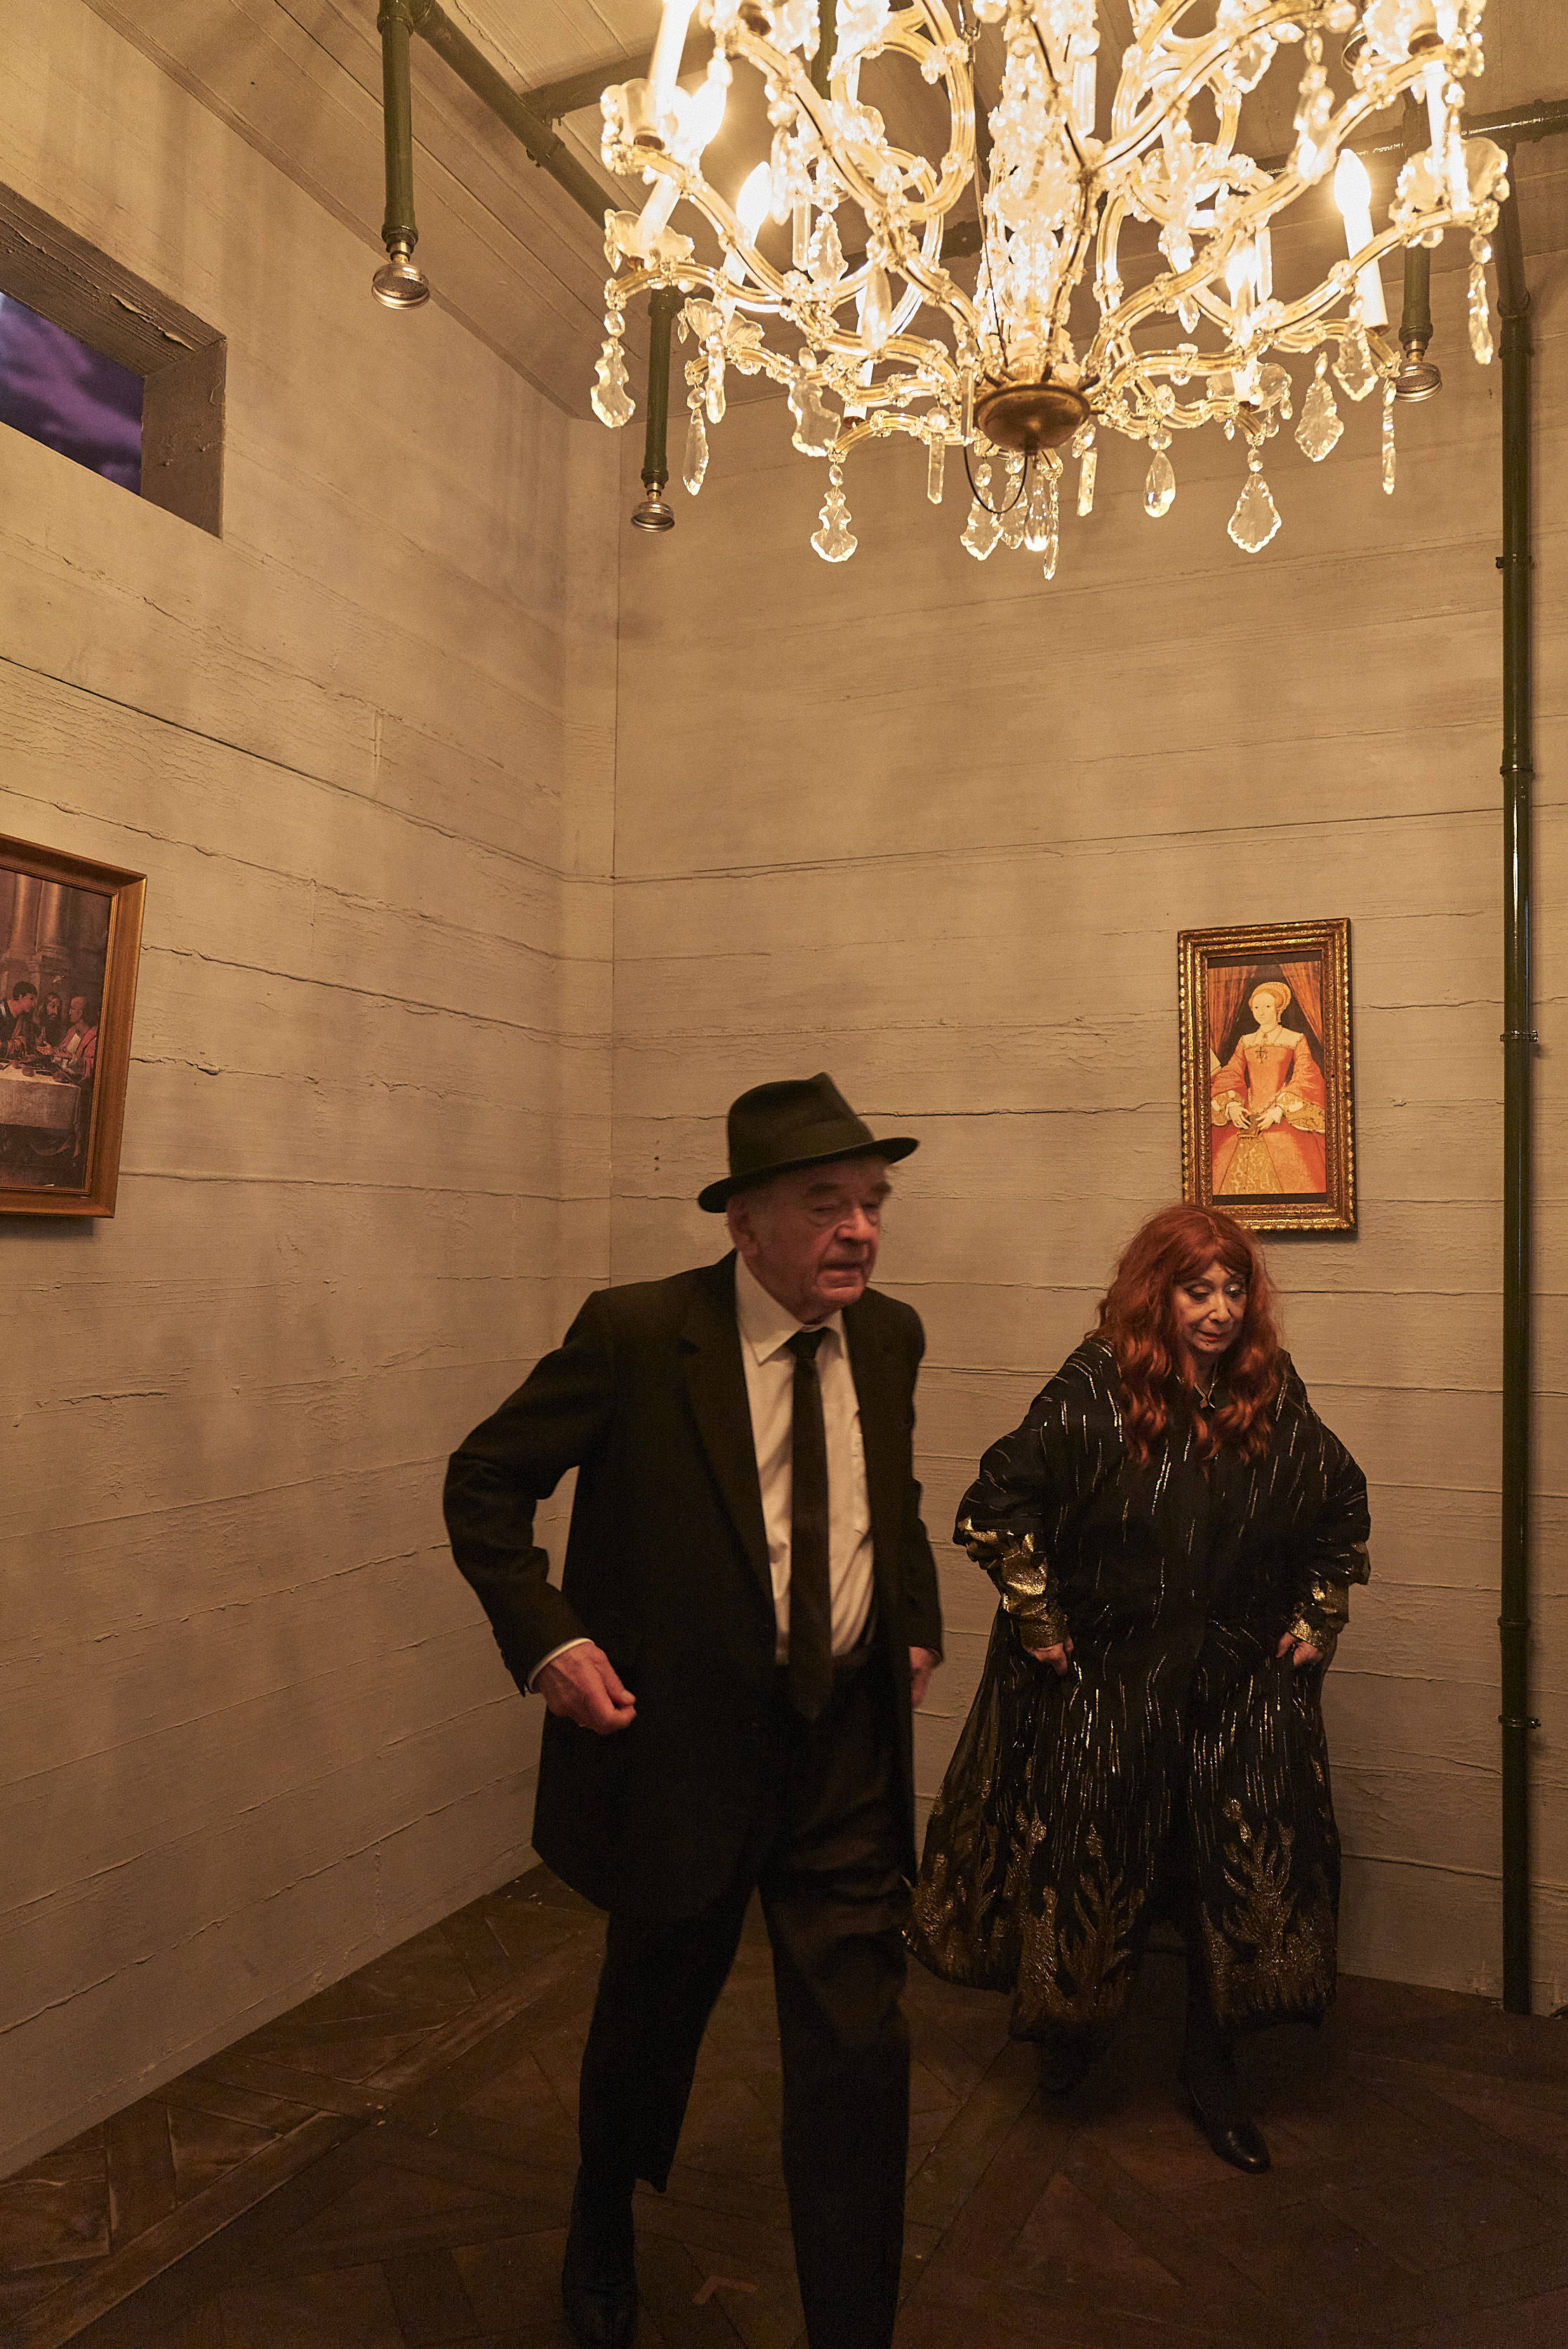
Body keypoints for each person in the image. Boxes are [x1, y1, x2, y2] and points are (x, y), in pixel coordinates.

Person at [444, 1073, 943, 2349]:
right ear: (744, 1222)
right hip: (681, 1756)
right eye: (824, 1202)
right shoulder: (635, 1333)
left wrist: (913, 1613)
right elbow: (485, 1479)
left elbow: (888, 1492)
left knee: (858, 2049)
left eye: (871, 1200)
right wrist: (548, 1637)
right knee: (649, 2017)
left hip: (842, 1753)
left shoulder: (887, 1336)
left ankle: (851, 2322)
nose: (859, 1229)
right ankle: (601, 2208)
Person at [908, 1204, 1369, 2176]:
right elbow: (997, 1502)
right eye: (1197, 1289)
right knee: (1091, 1861)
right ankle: (1072, 2031)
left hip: (1233, 1689)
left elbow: (1336, 1503)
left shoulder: (1267, 1387)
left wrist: (1316, 1613)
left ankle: (1212, 2066)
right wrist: (1038, 1618)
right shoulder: (1095, 1383)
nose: (1218, 1309)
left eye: (1233, 1289)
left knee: (1216, 1878)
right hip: (1112, 1684)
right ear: (1155, 1291)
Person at [1211, 979, 1327, 1195]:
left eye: (1267, 1006)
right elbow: (1232, 1072)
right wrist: (1232, 1106)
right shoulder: (1246, 1041)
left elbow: (1306, 1074)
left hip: (1281, 1112)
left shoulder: (1295, 1039)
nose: (1261, 1012)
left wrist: (1279, 1110)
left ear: (1278, 1008)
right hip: (1247, 1112)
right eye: (1256, 1007)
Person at [1, 980, 39, 1063]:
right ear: (20, 996)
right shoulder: (1, 1010)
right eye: (31, 999)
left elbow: (29, 1044)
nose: (33, 1004)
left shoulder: (25, 1018)